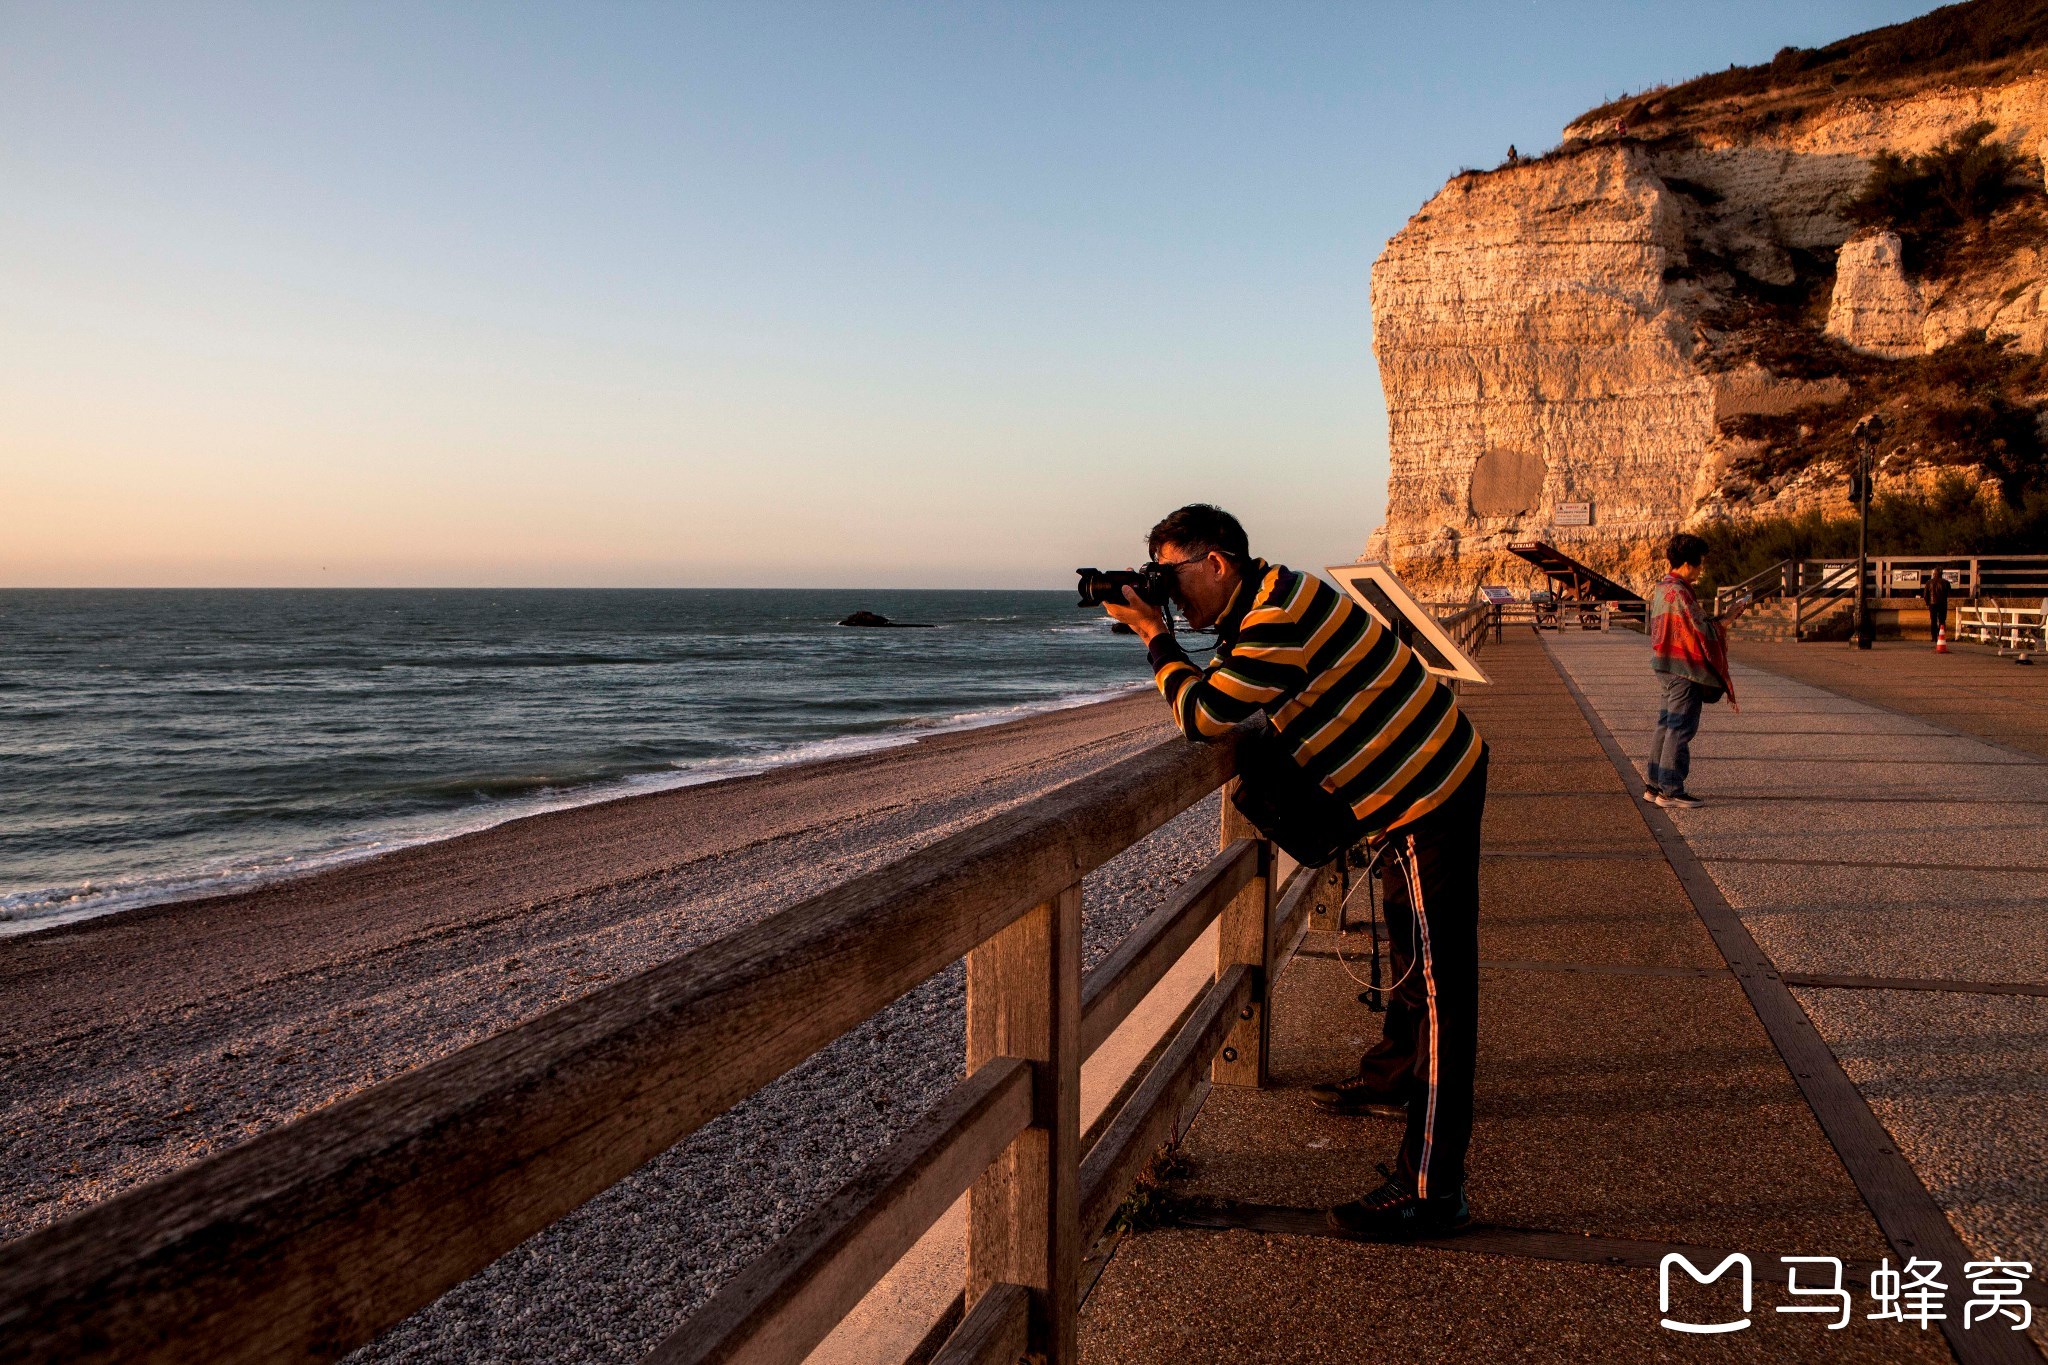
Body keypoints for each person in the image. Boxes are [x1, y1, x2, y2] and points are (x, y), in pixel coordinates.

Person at [1101, 503, 1487, 1240]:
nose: (1169, 593)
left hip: (1425, 790)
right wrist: (1168, 624)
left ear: (1218, 562)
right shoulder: (1272, 595)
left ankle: (1435, 1188)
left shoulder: (1275, 615)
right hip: (1427, 773)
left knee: (1441, 989)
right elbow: (1236, 685)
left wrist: (1154, 635)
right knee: (1413, 960)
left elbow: (1205, 713)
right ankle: (1394, 1074)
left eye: (1174, 575)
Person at [1646, 532, 1738, 810]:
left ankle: (1654, 784)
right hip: (1683, 668)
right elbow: (1701, 629)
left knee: (1666, 724)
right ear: (1689, 563)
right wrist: (1727, 620)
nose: (1701, 569)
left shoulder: (1664, 587)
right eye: (1700, 563)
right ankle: (1671, 790)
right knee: (1680, 727)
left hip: (1664, 662)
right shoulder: (1682, 591)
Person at [1925, 565, 1952, 642]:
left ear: (1934, 574)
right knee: (1942, 620)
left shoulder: (1928, 582)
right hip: (1942, 603)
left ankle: (1933, 637)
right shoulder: (1946, 583)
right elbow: (1949, 593)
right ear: (1941, 574)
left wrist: (1928, 603)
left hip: (1932, 604)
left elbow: (1925, 595)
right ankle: (1941, 635)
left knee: (1933, 621)